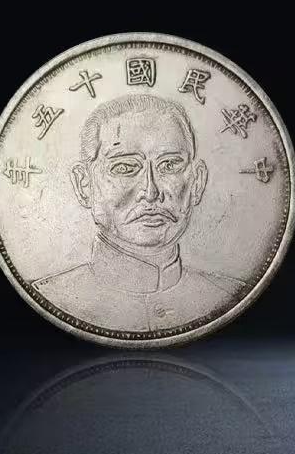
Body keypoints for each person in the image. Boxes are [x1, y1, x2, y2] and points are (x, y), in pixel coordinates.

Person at [32, 94, 243, 331]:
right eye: (124, 167)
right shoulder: (52, 295)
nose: (151, 192)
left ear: (197, 182)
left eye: (169, 165)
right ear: (84, 184)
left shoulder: (227, 295)